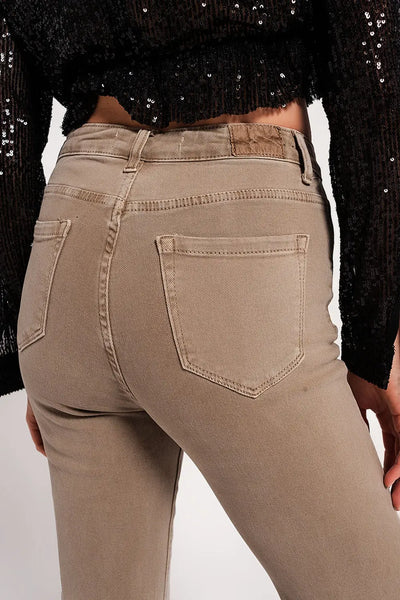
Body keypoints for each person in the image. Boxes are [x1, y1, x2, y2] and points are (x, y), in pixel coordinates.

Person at [1, 1, 400, 598]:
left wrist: (30, 336)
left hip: (66, 247)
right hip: (232, 232)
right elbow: (374, 84)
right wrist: (378, 338)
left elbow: (5, 133)